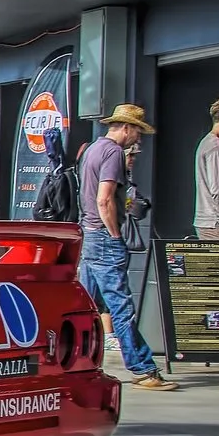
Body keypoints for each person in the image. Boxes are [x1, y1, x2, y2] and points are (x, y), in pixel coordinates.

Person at [76, 105, 177, 392]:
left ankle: (77, 362)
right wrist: (115, 234)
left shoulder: (93, 150)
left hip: (89, 235)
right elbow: (104, 199)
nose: (138, 140)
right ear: (126, 128)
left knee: (86, 305)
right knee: (121, 307)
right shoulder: (113, 154)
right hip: (104, 237)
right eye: (138, 133)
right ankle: (143, 368)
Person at [193, 97, 219, 240]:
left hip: (206, 220)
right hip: (215, 223)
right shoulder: (216, 146)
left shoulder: (206, 142)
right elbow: (218, 190)